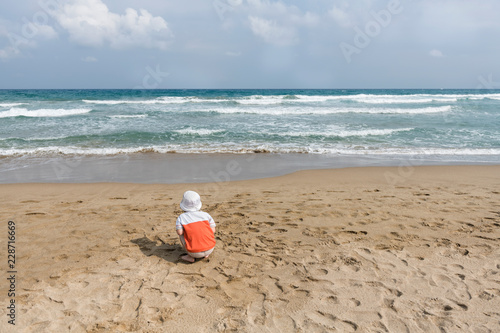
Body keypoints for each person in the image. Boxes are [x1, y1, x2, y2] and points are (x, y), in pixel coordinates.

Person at [176, 190, 216, 263]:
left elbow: (179, 232)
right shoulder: (206, 215)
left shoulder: (181, 217)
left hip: (193, 252)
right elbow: (213, 231)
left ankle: (189, 256)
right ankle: (206, 254)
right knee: (207, 229)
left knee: (182, 234)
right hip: (210, 248)